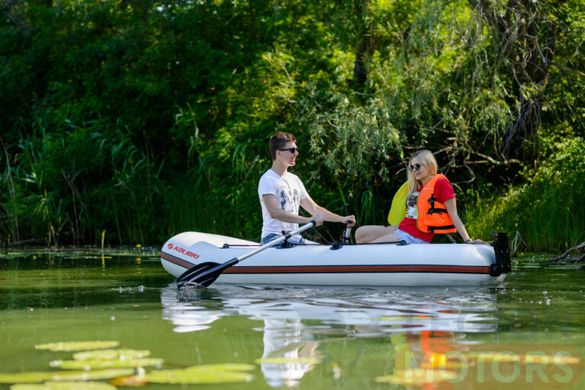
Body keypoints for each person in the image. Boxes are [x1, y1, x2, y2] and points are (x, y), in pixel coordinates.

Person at [355, 149, 472, 244]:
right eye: (411, 167)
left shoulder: (440, 183)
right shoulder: (419, 187)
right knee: (360, 234)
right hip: (402, 229)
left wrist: (468, 240)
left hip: (414, 237)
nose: (414, 170)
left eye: (418, 166)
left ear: (429, 164)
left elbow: (453, 214)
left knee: (368, 248)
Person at [258, 132, 355, 244]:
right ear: (278, 153)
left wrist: (341, 219)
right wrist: (308, 220)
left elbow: (314, 209)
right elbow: (275, 212)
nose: (296, 153)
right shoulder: (268, 179)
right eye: (292, 150)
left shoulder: (294, 179)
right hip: (273, 239)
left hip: (294, 238)